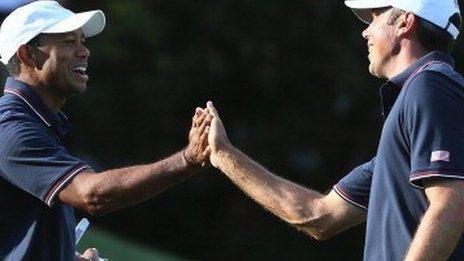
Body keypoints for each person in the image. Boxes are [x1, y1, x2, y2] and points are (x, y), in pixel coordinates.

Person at [201, 0, 464, 260]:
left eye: (374, 17)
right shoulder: (419, 102)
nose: (365, 31)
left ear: (405, 23)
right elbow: (319, 215)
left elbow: (452, 203)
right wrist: (223, 155)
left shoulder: (431, 85)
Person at [0, 1, 210, 260]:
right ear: (28, 55)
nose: (84, 51)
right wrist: (188, 159)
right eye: (69, 42)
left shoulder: (36, 123)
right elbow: (94, 195)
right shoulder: (12, 130)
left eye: (83, 41)